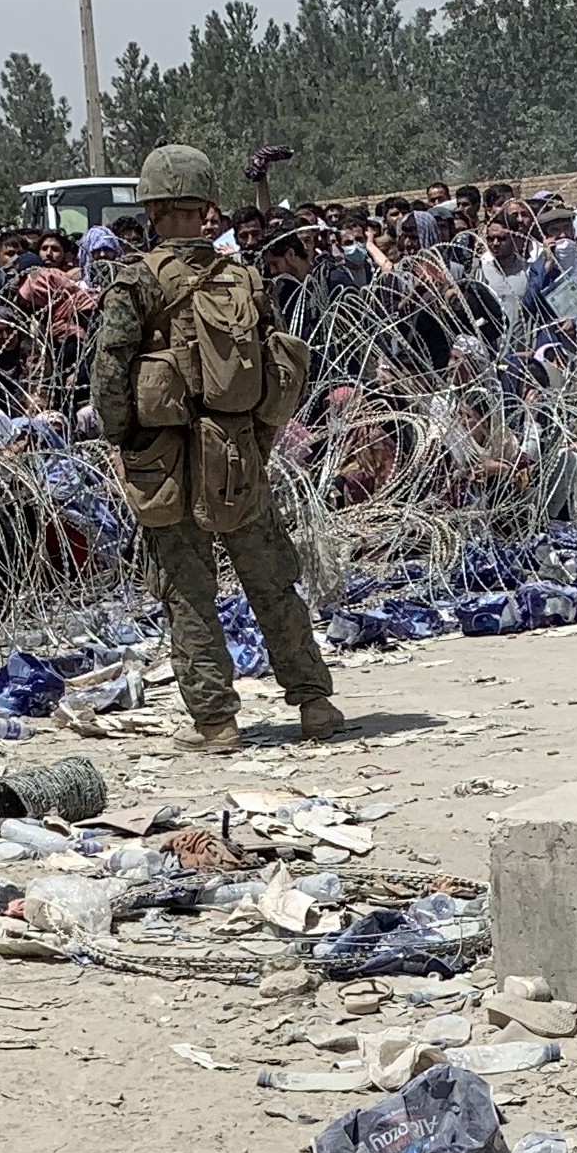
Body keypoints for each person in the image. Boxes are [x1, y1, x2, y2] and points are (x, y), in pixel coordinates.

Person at [90, 144, 339, 751]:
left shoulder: (136, 282)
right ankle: (314, 704)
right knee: (271, 579)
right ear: (205, 206)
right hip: (236, 450)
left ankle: (216, 722)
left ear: (151, 208)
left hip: (166, 458)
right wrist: (258, 436)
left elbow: (109, 373)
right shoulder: (243, 277)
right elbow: (280, 364)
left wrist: (122, 438)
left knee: (188, 590)